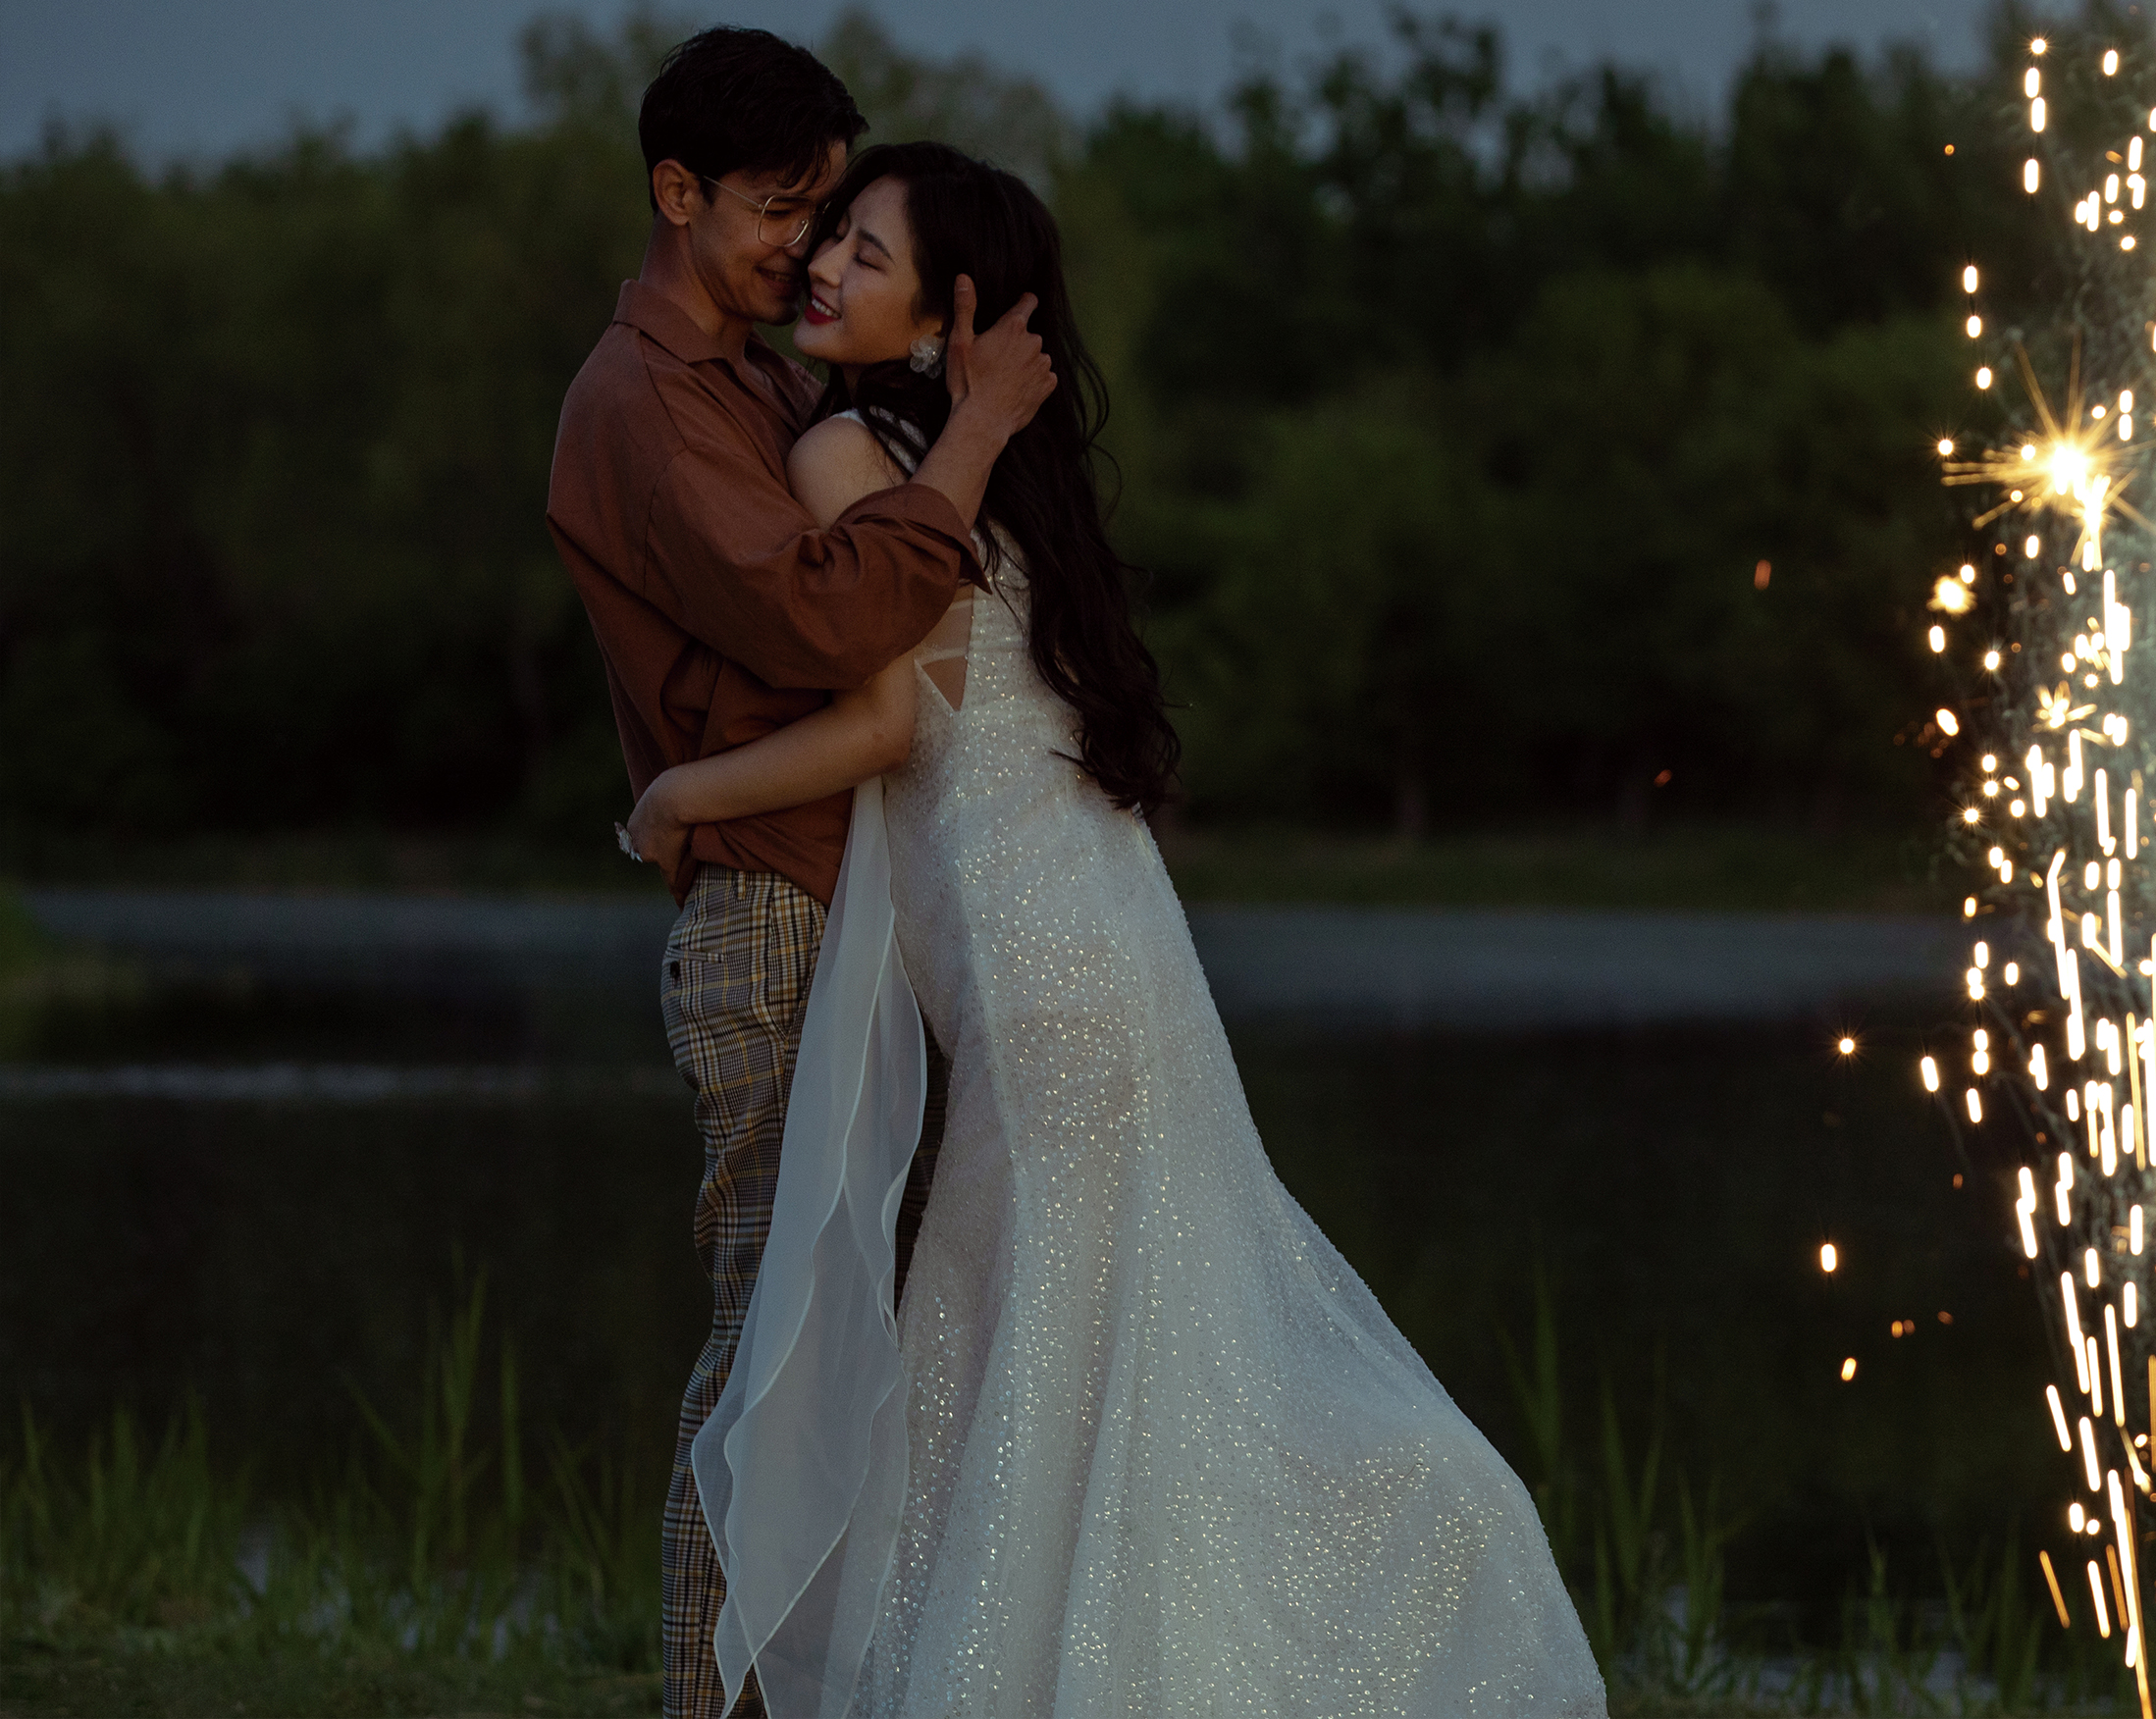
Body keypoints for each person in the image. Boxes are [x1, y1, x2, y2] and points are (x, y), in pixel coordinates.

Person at [618, 140, 1605, 1717]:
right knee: (1139, 1317)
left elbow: (888, 725)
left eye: (865, 255)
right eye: (831, 243)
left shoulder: (846, 453)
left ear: (944, 317)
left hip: (1023, 951)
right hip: (1119, 939)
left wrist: (682, 793)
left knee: (1056, 1327)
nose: (823, 271)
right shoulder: (993, 478)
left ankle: (1067, 1670)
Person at [546, 29, 1058, 1719]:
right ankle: (717, 1704)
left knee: (855, 1343)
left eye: (833, 215)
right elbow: (836, 616)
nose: (809, 248)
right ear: (674, 196)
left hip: (838, 910)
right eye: (782, 213)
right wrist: (971, 438)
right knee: (774, 1353)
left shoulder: (765, 385)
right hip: (765, 909)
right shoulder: (645, 406)